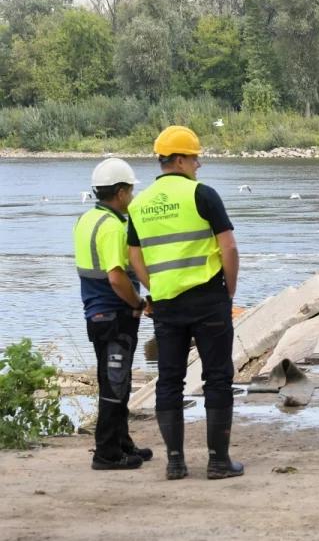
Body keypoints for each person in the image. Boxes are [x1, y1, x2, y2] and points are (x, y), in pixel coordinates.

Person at [127, 125, 243, 481]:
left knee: (169, 380)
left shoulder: (140, 203)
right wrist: (229, 292)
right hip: (208, 298)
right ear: (178, 159)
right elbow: (229, 247)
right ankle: (218, 461)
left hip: (166, 305)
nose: (198, 165)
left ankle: (175, 461)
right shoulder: (202, 196)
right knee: (218, 378)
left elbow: (135, 256)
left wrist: (156, 286)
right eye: (194, 158)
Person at [74, 158, 152, 470]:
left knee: (115, 378)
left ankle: (122, 442)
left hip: (96, 314)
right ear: (120, 192)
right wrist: (138, 303)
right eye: (131, 191)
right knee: (115, 383)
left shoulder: (87, 219)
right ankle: (106, 453)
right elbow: (117, 277)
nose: (132, 197)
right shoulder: (112, 228)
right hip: (113, 315)